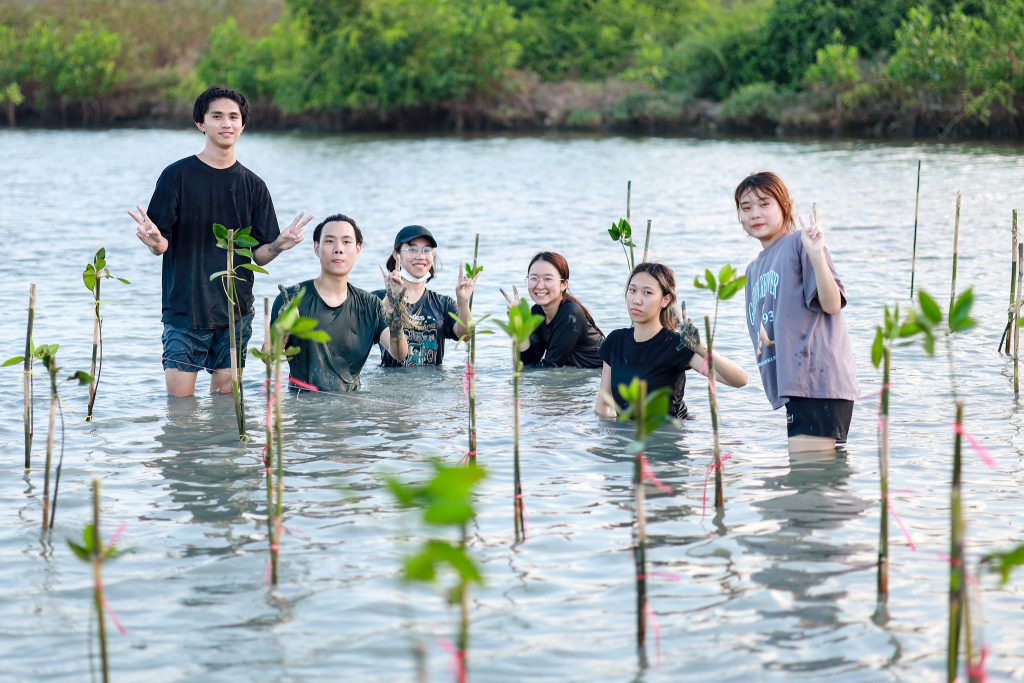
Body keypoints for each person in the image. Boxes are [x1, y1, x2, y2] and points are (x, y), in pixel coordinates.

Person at [128, 85, 311, 398]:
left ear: (242, 125)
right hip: (186, 309)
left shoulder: (253, 186)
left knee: (226, 408)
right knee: (180, 408)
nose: (226, 123)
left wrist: (280, 245)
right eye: (217, 116)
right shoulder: (176, 176)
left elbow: (260, 255)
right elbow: (161, 245)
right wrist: (154, 240)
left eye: (233, 117)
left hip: (235, 311)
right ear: (202, 123)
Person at [735, 171, 858, 452]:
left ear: (784, 206)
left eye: (764, 204)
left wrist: (816, 255)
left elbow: (831, 304)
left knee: (809, 483)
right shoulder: (754, 269)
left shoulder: (801, 243)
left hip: (817, 380)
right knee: (814, 487)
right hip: (795, 386)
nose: (755, 213)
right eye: (746, 207)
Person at [271, 214, 409, 392]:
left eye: (346, 242)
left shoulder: (370, 305)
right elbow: (268, 357)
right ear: (316, 248)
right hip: (303, 409)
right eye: (329, 241)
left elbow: (399, 354)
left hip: (352, 411)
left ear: (358, 249)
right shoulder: (291, 299)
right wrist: (284, 329)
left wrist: (396, 321)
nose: (338, 249)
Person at [595, 262, 747, 419]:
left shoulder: (675, 346)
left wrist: (699, 347)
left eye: (647, 293)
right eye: (632, 290)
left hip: (668, 435)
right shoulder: (615, 341)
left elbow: (739, 380)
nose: (636, 300)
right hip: (630, 438)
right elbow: (603, 404)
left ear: (665, 300)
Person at [372, 225, 477, 366]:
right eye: (412, 249)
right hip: (393, 384)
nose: (420, 256)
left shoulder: (443, 303)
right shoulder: (377, 299)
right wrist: (390, 299)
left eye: (426, 250)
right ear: (396, 254)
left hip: (433, 386)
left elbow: (465, 336)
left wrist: (463, 303)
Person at [501, 252, 604, 368]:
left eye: (548, 279)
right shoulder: (537, 311)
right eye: (533, 278)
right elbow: (527, 363)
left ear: (563, 284)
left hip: (601, 374)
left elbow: (551, 366)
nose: (539, 286)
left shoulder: (570, 313)